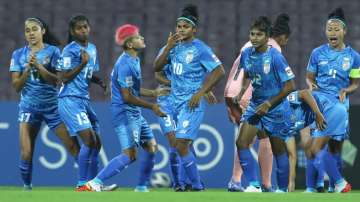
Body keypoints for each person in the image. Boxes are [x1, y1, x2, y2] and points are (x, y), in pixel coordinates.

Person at [86, 24, 167, 192]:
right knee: (130, 155)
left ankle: (142, 187)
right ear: (130, 44)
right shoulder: (125, 65)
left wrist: (153, 92)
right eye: (138, 37)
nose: (142, 38)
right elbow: (127, 97)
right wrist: (153, 106)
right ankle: (94, 183)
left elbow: (133, 91)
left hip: (134, 112)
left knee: (151, 146)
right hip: (124, 113)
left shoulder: (134, 60)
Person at [154, 4, 225, 191]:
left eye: (186, 27)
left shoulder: (201, 49)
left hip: (192, 103)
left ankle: (195, 185)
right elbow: (156, 68)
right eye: (179, 26)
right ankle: (189, 183)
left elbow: (219, 71)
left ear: (194, 29)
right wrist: (169, 46)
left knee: (181, 143)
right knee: (180, 145)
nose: (181, 30)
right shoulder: (173, 47)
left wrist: (201, 92)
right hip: (174, 102)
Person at [9, 17, 80, 191]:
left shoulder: (54, 52)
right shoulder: (18, 54)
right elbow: (17, 86)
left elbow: (58, 81)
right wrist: (27, 70)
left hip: (53, 107)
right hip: (28, 108)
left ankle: (89, 182)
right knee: (26, 153)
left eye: (34, 29)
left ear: (43, 31)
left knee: (73, 146)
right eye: (27, 30)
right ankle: (27, 188)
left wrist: (39, 67)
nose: (31, 33)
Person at [224, 13, 291, 192]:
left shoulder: (276, 56)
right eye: (252, 34)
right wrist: (241, 92)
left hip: (275, 107)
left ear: (267, 37)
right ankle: (254, 185)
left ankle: (282, 190)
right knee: (242, 142)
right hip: (255, 104)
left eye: (259, 35)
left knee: (278, 149)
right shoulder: (247, 53)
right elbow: (246, 73)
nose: (254, 38)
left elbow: (290, 86)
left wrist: (269, 104)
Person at [305, 7, 360, 193]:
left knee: (335, 147)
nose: (332, 33)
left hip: (340, 105)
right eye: (329, 29)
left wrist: (347, 89)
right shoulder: (317, 53)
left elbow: (355, 84)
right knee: (315, 142)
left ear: (344, 31)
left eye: (336, 29)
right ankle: (313, 187)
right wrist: (311, 85)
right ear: (325, 31)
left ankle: (333, 186)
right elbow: (309, 78)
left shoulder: (354, 57)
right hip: (320, 103)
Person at [57, 15, 107, 191]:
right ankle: (82, 183)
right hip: (69, 99)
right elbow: (64, 77)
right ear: (73, 31)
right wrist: (82, 63)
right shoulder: (69, 50)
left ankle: (94, 184)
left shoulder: (92, 48)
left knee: (96, 142)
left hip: (83, 100)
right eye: (79, 28)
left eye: (86, 27)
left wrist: (99, 81)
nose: (83, 30)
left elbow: (88, 73)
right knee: (89, 140)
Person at [155, 63, 217, 191]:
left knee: (185, 143)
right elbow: (157, 75)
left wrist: (205, 90)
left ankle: (185, 183)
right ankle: (180, 182)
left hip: (185, 102)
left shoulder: (193, 51)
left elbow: (194, 77)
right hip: (166, 102)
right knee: (174, 143)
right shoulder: (166, 52)